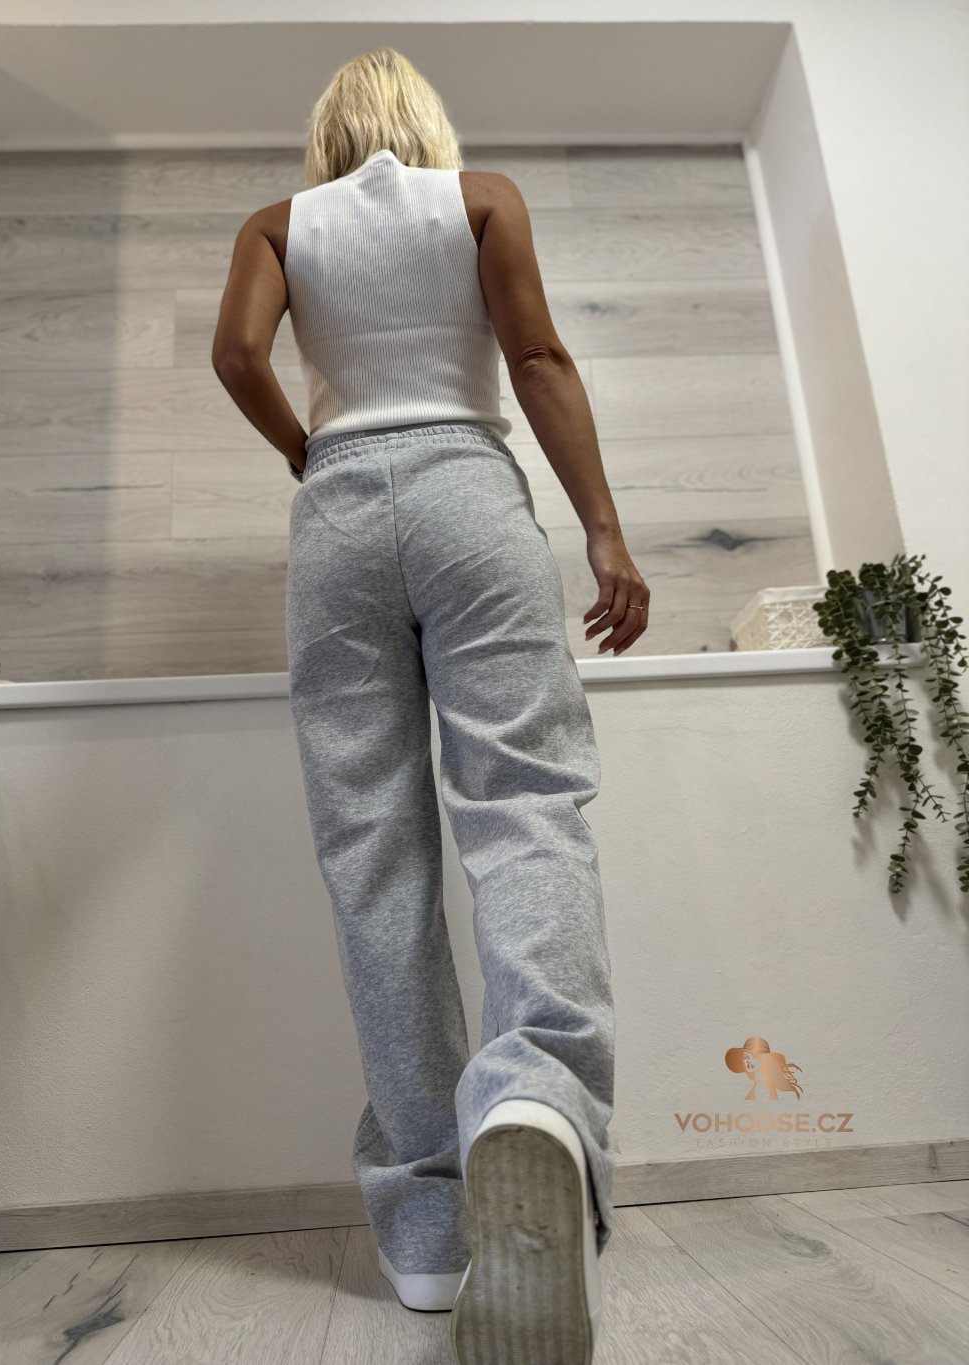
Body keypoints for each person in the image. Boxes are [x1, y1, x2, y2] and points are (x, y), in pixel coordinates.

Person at [213, 46, 650, 1365]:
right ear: (424, 124)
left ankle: (421, 1231)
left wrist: (309, 450)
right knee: (525, 804)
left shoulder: (278, 225)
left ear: (329, 133)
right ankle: (538, 1108)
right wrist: (606, 532)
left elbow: (236, 353)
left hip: (338, 516)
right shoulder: (481, 200)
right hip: (468, 488)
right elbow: (538, 355)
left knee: (373, 854)